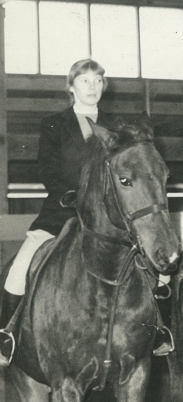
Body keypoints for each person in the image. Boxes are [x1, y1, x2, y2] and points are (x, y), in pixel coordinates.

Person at [0, 59, 173, 365]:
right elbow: (47, 169)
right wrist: (70, 195)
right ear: (71, 87)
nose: (92, 88)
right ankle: (7, 335)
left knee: (156, 273)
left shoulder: (118, 128)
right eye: (84, 82)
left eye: (97, 81)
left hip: (109, 218)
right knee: (17, 271)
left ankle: (159, 331)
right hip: (62, 211)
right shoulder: (54, 124)